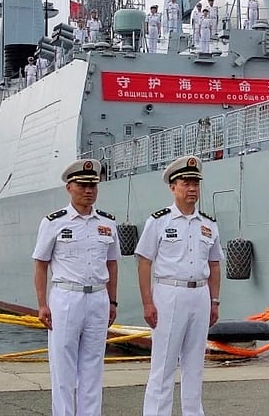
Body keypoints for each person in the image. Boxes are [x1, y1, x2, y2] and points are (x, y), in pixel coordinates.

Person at [135, 155, 222, 416]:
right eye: (186, 183)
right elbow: (144, 262)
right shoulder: (159, 221)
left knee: (195, 364)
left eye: (195, 183)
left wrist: (214, 301)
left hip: (200, 295)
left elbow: (215, 264)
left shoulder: (208, 224)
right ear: (173, 187)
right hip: (169, 294)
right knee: (163, 365)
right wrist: (148, 302)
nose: (192, 188)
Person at [32, 159, 119, 416]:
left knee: (93, 367)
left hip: (98, 298)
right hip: (66, 297)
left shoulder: (107, 223)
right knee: (63, 368)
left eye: (93, 185)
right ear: (69, 187)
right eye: (82, 185)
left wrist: (113, 302)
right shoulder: (54, 222)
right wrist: (42, 304)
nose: (88, 190)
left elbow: (112, 264)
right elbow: (40, 264)